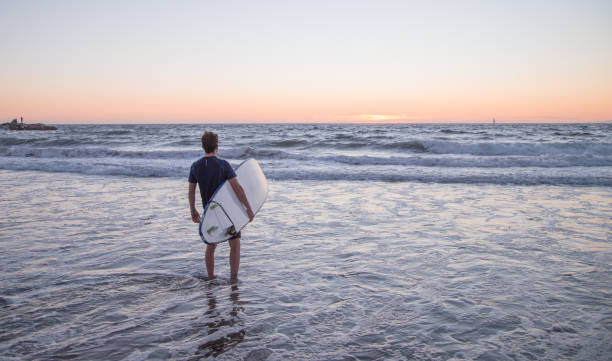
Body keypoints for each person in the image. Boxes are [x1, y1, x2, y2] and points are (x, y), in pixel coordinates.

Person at [188, 131, 254, 283]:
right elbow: (238, 189)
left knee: (211, 243)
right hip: (228, 214)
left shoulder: (195, 167)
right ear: (217, 147)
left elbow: (191, 191)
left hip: (209, 213)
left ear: (203, 146)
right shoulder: (223, 165)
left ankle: (211, 277)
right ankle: (233, 278)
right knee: (235, 244)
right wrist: (249, 209)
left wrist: (193, 210)